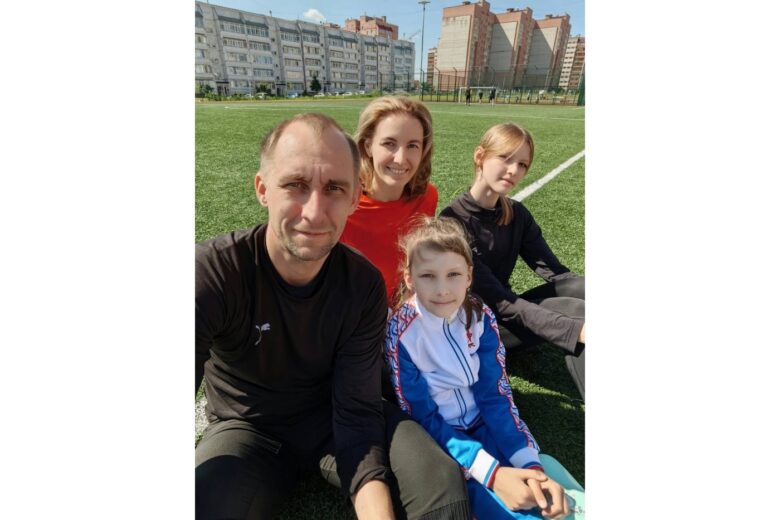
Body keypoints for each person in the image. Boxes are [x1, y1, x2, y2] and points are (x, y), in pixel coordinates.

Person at [195, 113, 470, 519]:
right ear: (263, 189)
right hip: (247, 427)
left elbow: (357, 411)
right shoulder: (215, 273)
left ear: (354, 198)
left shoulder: (362, 284)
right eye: (295, 185)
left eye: (334, 188)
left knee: (439, 482)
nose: (315, 211)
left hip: (332, 417)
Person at [385, 217, 584, 520]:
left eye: (453, 274)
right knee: (498, 506)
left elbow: (495, 395)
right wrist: (490, 472)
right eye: (428, 276)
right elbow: (422, 417)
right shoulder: (400, 334)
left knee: (540, 492)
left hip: (486, 423)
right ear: (409, 278)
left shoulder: (480, 316)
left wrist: (529, 464)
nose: (442, 289)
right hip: (443, 439)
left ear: (469, 276)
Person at [439, 123, 585, 400]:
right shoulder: (451, 223)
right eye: (505, 158)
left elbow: (557, 273)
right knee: (574, 314)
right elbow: (499, 302)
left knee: (579, 289)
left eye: (522, 164)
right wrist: (574, 329)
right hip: (475, 328)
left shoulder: (516, 213)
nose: (514, 171)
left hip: (507, 312)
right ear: (480, 156)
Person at [340, 96, 438, 302]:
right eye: (389, 144)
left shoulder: (427, 197)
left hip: (404, 313)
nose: (400, 159)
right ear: (368, 146)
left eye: (413, 146)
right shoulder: (341, 205)